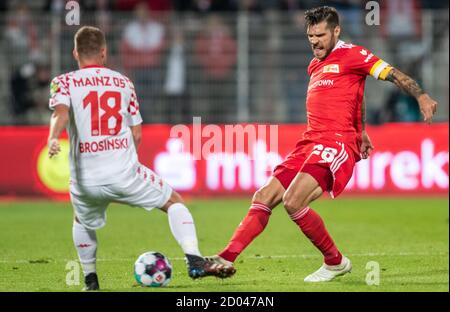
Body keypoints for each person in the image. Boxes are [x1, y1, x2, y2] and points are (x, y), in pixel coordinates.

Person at [206, 6, 437, 282]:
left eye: (320, 35)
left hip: (336, 142)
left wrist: (421, 96)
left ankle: (334, 261)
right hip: (310, 141)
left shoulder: (354, 55)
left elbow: (393, 74)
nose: (314, 41)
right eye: (310, 36)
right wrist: (361, 129)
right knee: (264, 196)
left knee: (293, 201)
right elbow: (355, 95)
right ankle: (226, 257)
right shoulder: (315, 64)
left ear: (336, 31)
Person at [47, 26, 235, 291]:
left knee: (81, 218)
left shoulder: (63, 81)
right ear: (104, 52)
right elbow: (136, 133)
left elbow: (61, 114)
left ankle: (90, 281)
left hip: (85, 179)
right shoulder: (124, 82)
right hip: (124, 173)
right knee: (173, 202)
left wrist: (53, 137)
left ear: (75, 52)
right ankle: (194, 260)